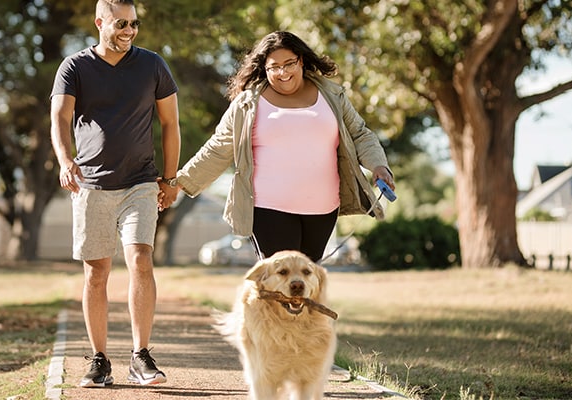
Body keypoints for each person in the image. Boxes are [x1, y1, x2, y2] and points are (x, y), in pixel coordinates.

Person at [165, 31, 394, 263]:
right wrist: (180, 182)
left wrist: (378, 166)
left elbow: (360, 134)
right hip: (268, 208)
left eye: (289, 64)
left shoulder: (332, 95)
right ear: (264, 68)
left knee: (304, 282)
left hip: (323, 209)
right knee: (281, 277)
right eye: (274, 67)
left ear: (301, 61)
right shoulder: (247, 104)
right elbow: (217, 149)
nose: (282, 73)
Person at [49, 0, 180, 388]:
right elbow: (60, 117)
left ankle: (141, 356)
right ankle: (99, 359)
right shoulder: (74, 67)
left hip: (141, 181)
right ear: (100, 23)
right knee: (96, 273)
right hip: (91, 184)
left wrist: (169, 179)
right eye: (121, 23)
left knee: (140, 258)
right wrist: (65, 160)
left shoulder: (152, 64)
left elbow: (171, 123)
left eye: (134, 24)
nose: (129, 30)